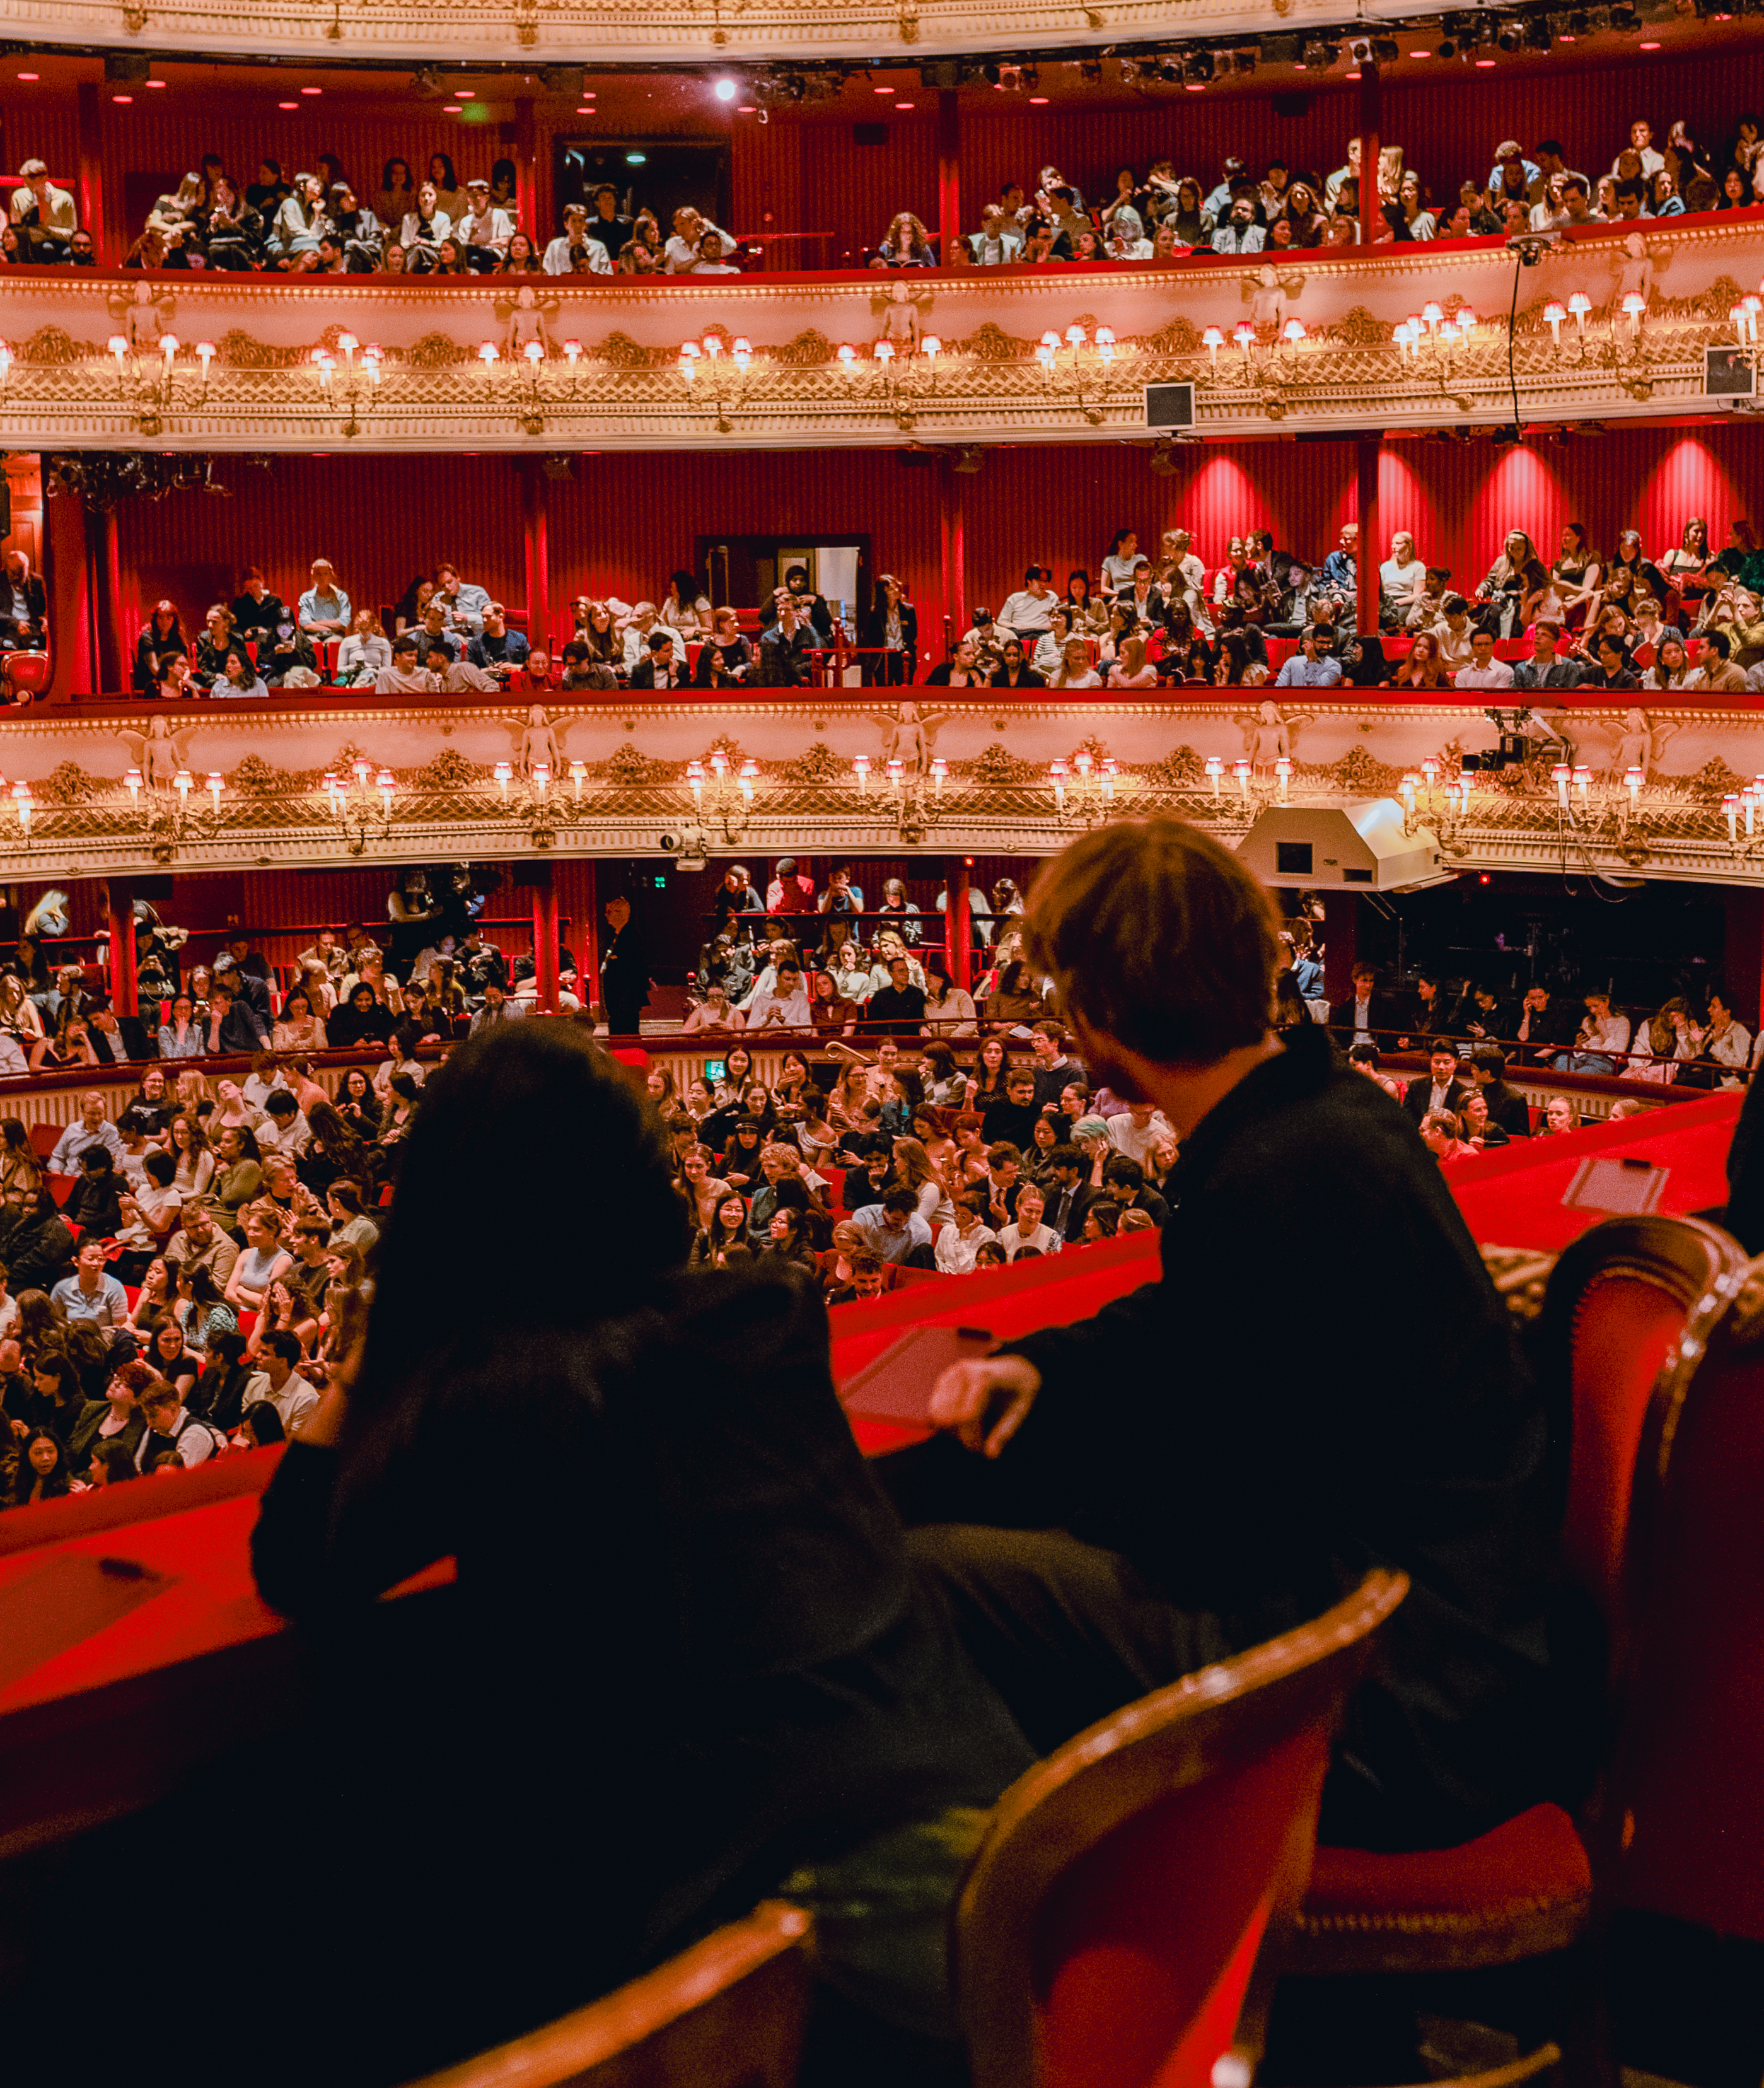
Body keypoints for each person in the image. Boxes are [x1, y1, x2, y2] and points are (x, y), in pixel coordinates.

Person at [248, 1024, 1030, 2085]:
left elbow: (297, 1558)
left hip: (830, 1959)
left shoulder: (502, 1393)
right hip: (1019, 1858)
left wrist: (367, 1352)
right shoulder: (767, 1310)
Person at [900, 817, 1570, 1852]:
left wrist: (1051, 1456)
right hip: (1457, 1636)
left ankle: (1048, 1930)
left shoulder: (1273, 1178)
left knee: (933, 1573)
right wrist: (1046, 1366)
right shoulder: (1321, 1109)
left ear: (1099, 1012)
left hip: (1387, 1697)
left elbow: (1207, 1520)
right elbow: (1195, 1324)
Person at [598, 892, 651, 1036]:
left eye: (610, 911)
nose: (606, 915)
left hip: (625, 1000)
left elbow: (633, 967)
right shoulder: (618, 936)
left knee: (626, 1037)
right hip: (618, 1002)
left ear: (621, 913)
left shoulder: (631, 935)